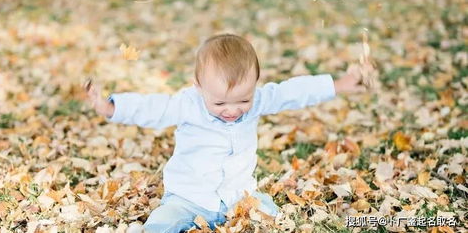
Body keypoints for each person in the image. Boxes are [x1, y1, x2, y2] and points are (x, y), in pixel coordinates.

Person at [85, 34, 370, 233]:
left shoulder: (258, 100)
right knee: (162, 223)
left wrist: (339, 84)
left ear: (255, 85)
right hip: (189, 197)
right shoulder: (187, 105)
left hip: (238, 196)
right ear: (199, 86)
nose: (232, 110)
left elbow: (292, 93)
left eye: (242, 101)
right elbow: (152, 108)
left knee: (272, 216)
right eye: (220, 103)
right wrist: (110, 107)